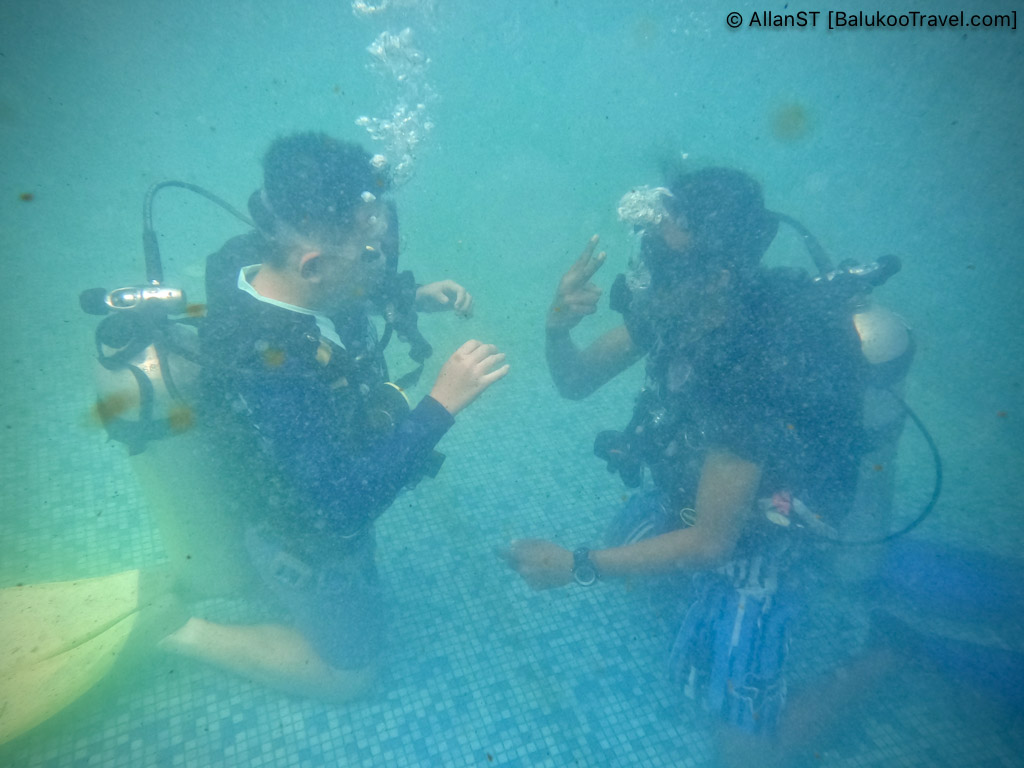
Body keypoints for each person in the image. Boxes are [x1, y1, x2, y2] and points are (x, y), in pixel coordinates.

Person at [501, 166, 898, 764]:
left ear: (716, 276)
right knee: (630, 550)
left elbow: (715, 542)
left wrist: (577, 567)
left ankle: (890, 654)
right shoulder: (678, 303)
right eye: (649, 251)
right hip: (710, 493)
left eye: (663, 260)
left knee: (745, 756)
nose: (644, 277)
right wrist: (557, 326)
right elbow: (577, 381)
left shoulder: (754, 362)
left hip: (769, 524)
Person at [158, 132, 509, 701]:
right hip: (298, 529)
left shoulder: (256, 259)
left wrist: (408, 293)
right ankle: (179, 632)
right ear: (315, 265)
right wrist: (440, 404)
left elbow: (340, 283)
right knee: (351, 676)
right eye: (367, 255)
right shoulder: (270, 365)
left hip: (292, 462)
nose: (374, 263)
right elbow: (337, 507)